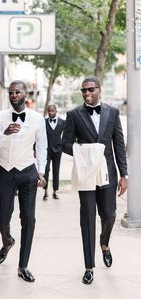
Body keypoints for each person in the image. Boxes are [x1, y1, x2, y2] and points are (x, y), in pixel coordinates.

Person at [61, 76, 128, 285]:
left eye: (91, 90)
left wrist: (124, 175)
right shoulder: (73, 114)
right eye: (83, 91)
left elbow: (118, 144)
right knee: (87, 220)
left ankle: (104, 243)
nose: (87, 94)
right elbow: (65, 144)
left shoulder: (113, 112)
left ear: (99, 90)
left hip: (108, 173)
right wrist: (85, 152)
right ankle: (89, 266)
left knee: (109, 215)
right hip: (86, 175)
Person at [0, 80, 47, 283]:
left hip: (27, 173)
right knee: (2, 218)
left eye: (18, 92)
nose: (14, 95)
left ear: (25, 94)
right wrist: (4, 134)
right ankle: (7, 241)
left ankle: (23, 266)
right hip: (4, 172)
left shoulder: (38, 119)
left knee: (28, 218)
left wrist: (41, 172)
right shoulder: (0, 117)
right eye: (11, 92)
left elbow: (42, 147)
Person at [43, 104, 65, 200]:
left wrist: (63, 145)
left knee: (56, 170)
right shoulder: (43, 122)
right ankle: (45, 191)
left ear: (56, 111)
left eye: (52, 111)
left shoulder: (62, 122)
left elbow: (67, 135)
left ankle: (55, 191)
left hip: (58, 150)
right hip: (46, 150)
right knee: (46, 170)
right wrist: (35, 148)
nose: (51, 113)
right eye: (49, 111)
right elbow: (39, 137)